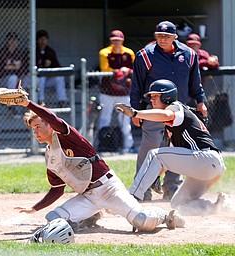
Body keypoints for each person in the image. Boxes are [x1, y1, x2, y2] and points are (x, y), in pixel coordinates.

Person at [12, 92, 185, 233]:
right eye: (32, 128)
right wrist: (34, 208)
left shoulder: (67, 136)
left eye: (38, 126)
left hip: (109, 189)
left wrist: (28, 104)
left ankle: (164, 216)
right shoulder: (50, 157)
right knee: (53, 219)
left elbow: (53, 118)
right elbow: (57, 189)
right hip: (87, 196)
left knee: (141, 221)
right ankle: (90, 216)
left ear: (49, 125)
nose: (35, 131)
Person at [115, 79, 226, 215]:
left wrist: (136, 113)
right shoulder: (172, 128)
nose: (152, 100)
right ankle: (218, 207)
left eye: (156, 96)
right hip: (209, 166)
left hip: (206, 159)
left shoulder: (175, 107)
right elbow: (166, 162)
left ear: (167, 97)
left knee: (155, 154)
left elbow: (167, 115)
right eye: (151, 97)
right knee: (179, 204)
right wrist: (156, 177)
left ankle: (131, 199)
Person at [130, 21, 208, 201]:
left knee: (178, 148)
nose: (162, 39)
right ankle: (143, 190)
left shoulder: (188, 54)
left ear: (175, 37)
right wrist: (136, 110)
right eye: (158, 36)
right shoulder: (145, 55)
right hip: (154, 108)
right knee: (150, 146)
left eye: (166, 36)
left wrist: (200, 101)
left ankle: (172, 189)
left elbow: (195, 82)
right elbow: (136, 85)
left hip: (179, 109)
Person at [97, 30, 135, 154]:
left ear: (122, 40)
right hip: (107, 91)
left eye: (118, 40)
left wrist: (127, 70)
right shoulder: (105, 52)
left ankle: (128, 146)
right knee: (105, 118)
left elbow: (135, 69)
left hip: (124, 92)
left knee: (125, 120)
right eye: (114, 40)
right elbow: (105, 69)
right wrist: (120, 71)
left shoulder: (129, 53)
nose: (116, 43)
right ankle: (102, 145)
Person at [22, 29, 68, 107]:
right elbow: (27, 67)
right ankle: (41, 100)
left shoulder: (50, 52)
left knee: (59, 78)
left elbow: (58, 68)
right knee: (41, 77)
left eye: (45, 39)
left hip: (47, 80)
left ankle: (62, 101)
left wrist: (50, 66)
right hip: (33, 79)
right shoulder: (32, 51)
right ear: (37, 40)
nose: (43, 41)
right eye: (41, 39)